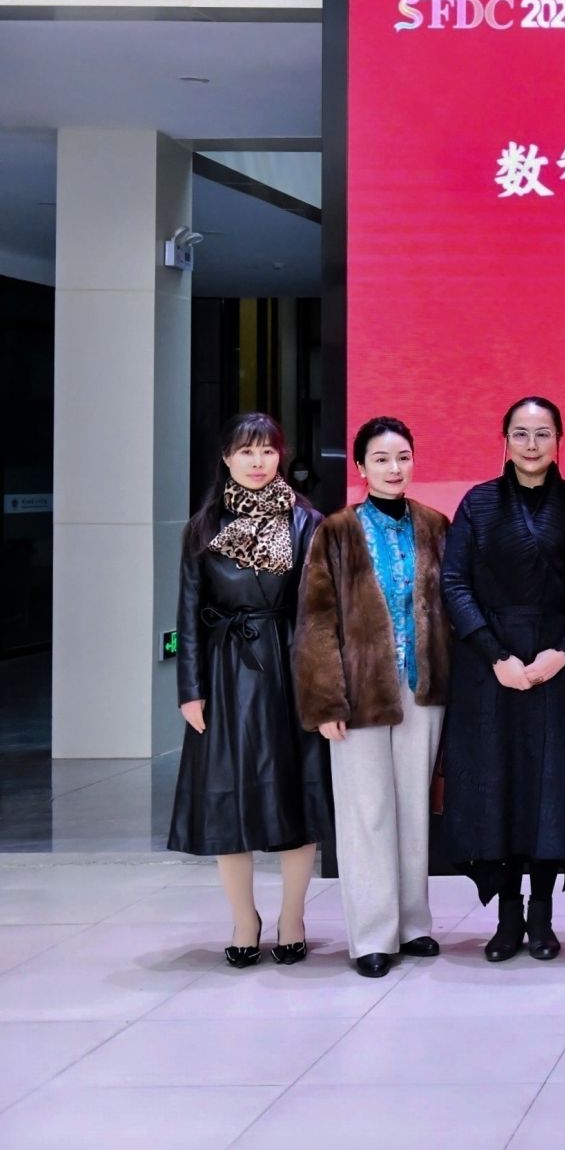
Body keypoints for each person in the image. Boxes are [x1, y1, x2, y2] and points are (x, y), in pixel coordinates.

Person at [440, 396, 565, 963]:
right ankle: (507, 915)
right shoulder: (479, 503)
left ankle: (542, 915)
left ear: (560, 440)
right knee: (496, 787)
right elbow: (454, 584)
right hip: (491, 670)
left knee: (552, 791)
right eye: (521, 433)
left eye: (543, 433)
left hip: (557, 668)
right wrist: (494, 654)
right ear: (504, 440)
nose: (532, 445)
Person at [169, 413, 328, 968]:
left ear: (281, 456)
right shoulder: (202, 528)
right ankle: (243, 920)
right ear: (226, 459)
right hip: (225, 672)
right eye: (246, 451)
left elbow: (321, 612)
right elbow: (189, 614)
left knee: (295, 798)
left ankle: (293, 918)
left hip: (290, 668)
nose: (258, 462)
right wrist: (190, 690)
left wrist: (324, 687)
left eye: (267, 451)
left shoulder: (307, 522)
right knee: (228, 801)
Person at [295, 417, 451, 979]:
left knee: (413, 808)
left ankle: (412, 924)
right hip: (357, 692)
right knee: (367, 812)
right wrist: (325, 702)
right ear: (361, 467)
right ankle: (371, 936)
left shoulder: (435, 525)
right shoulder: (336, 531)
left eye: (403, 457)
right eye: (381, 459)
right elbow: (316, 622)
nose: (394, 468)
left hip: (421, 688)